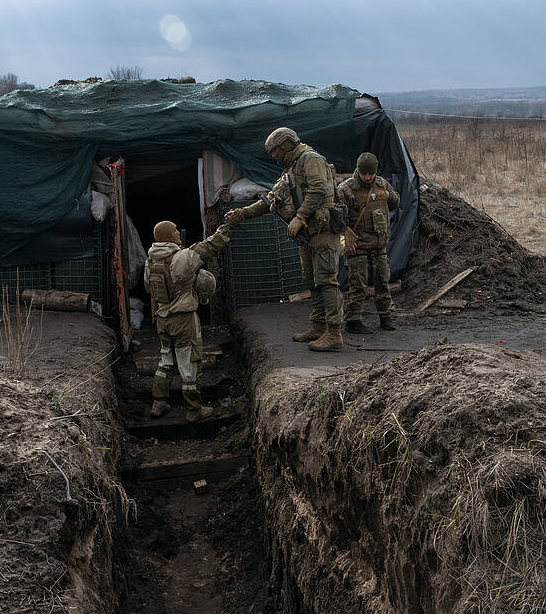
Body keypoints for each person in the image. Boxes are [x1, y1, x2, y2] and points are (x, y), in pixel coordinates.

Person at [224, 126, 345, 351]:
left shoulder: (310, 159)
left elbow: (318, 189)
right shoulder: (292, 168)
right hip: (309, 232)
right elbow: (273, 199)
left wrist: (299, 217)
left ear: (287, 145)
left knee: (326, 280)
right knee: (312, 279)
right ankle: (319, 327)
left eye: (275, 151)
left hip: (323, 229)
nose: (273, 156)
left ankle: (334, 333)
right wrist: (244, 213)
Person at [143, 220, 232, 418]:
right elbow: (209, 246)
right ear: (168, 236)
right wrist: (227, 228)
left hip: (162, 319)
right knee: (189, 363)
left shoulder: (150, 261)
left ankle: (158, 403)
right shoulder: (182, 258)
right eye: (174, 230)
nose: (177, 232)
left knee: (166, 361)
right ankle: (194, 410)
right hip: (183, 319)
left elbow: (149, 289)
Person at [337, 152, 400, 333]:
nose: (367, 177)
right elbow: (337, 218)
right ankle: (353, 321)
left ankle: (386, 317)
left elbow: (396, 203)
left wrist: (388, 196)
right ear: (358, 170)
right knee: (358, 285)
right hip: (358, 246)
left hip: (379, 244)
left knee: (383, 282)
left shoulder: (381, 184)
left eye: (371, 174)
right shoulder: (346, 189)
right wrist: (346, 240)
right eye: (364, 173)